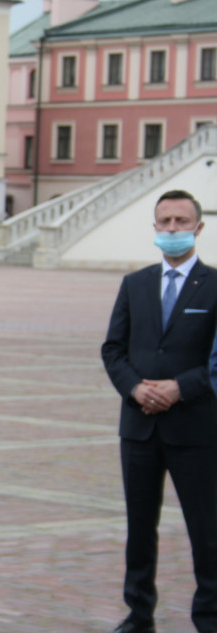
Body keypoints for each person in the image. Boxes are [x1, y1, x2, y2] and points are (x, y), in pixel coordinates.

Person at [103, 189, 217, 633]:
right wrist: (134, 388)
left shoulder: (213, 285)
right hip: (139, 427)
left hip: (196, 428)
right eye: (164, 222)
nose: (172, 229)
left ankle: (208, 616)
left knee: (206, 529)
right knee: (139, 527)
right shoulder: (135, 284)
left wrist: (178, 388)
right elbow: (113, 348)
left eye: (180, 222)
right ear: (154, 228)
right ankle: (139, 613)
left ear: (198, 228)